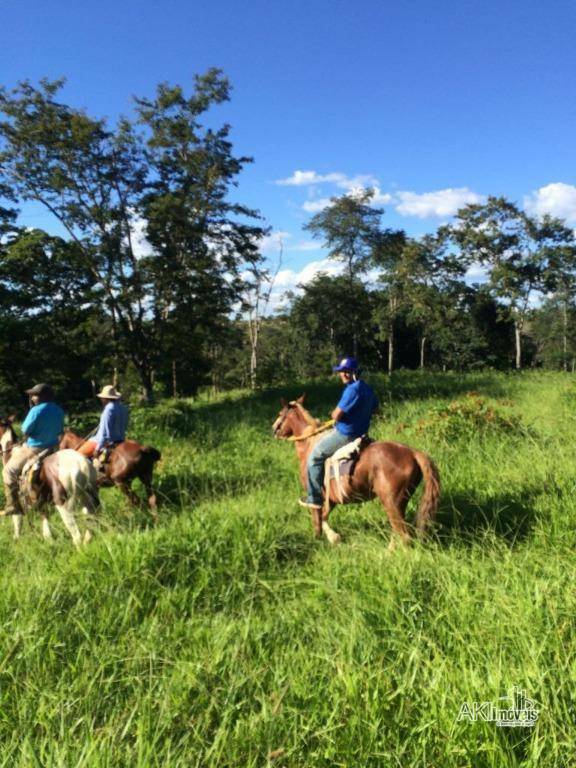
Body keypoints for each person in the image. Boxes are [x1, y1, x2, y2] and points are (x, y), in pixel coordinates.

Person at [299, 357, 378, 511]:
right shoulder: (367, 388)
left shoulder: (352, 390)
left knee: (315, 457)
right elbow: (376, 409)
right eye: (341, 372)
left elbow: (336, 415)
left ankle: (314, 498)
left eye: (347, 372)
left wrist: (334, 414)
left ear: (355, 373)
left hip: (346, 434)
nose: (343, 375)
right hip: (363, 434)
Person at [1, 383, 64, 516]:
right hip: (53, 447)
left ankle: (13, 505)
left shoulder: (36, 410)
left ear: (43, 396)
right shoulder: (59, 409)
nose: (33, 397)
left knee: (8, 471)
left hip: (34, 448)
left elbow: (25, 429)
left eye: (35, 395)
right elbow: (59, 430)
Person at [77, 385, 129, 459]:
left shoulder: (108, 409)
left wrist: (98, 448)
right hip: (120, 440)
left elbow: (105, 433)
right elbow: (125, 425)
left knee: (78, 455)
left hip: (104, 441)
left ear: (105, 399)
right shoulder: (124, 408)